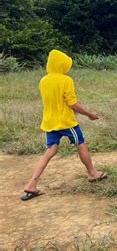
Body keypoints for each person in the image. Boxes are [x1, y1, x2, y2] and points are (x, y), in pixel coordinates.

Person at [22, 49, 107, 201]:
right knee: (81, 144)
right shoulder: (66, 80)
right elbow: (73, 104)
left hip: (50, 122)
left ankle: (31, 183)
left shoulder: (43, 81)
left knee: (50, 151)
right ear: (62, 65)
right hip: (66, 123)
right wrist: (90, 115)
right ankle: (92, 173)